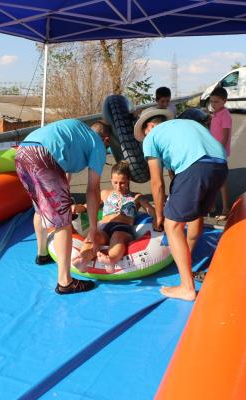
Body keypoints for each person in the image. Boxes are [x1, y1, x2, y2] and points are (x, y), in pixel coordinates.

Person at [135, 108, 228, 301]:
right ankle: (186, 255)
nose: (145, 138)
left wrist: (159, 215)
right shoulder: (186, 124)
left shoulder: (152, 137)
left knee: (172, 225)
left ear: (150, 126)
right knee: (195, 215)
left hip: (195, 167)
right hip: (220, 165)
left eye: (145, 133)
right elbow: (175, 176)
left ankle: (186, 287)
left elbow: (157, 182)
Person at [14, 119, 111, 295]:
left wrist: (61, 197)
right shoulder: (98, 145)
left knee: (40, 208)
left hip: (23, 152)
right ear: (106, 139)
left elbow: (64, 174)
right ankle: (65, 282)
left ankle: (42, 254)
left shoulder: (79, 133)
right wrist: (93, 228)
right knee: (63, 221)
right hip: (43, 155)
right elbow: (93, 189)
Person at [72, 161, 156, 273]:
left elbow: (150, 210)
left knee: (117, 237)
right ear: (111, 179)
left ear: (129, 180)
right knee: (93, 237)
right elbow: (89, 206)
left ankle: (111, 260)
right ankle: (83, 260)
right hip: (104, 227)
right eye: (115, 182)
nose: (118, 186)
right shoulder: (105, 193)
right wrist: (78, 207)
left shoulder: (136, 197)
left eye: (122, 183)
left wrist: (157, 217)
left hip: (123, 229)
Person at [209, 86, 233, 221]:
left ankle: (225, 209)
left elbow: (225, 136)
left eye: (216, 102)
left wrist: (218, 151)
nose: (213, 104)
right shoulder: (216, 113)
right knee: (212, 179)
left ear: (224, 101)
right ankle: (211, 206)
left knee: (222, 181)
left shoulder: (225, 115)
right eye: (211, 101)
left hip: (219, 153)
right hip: (213, 152)